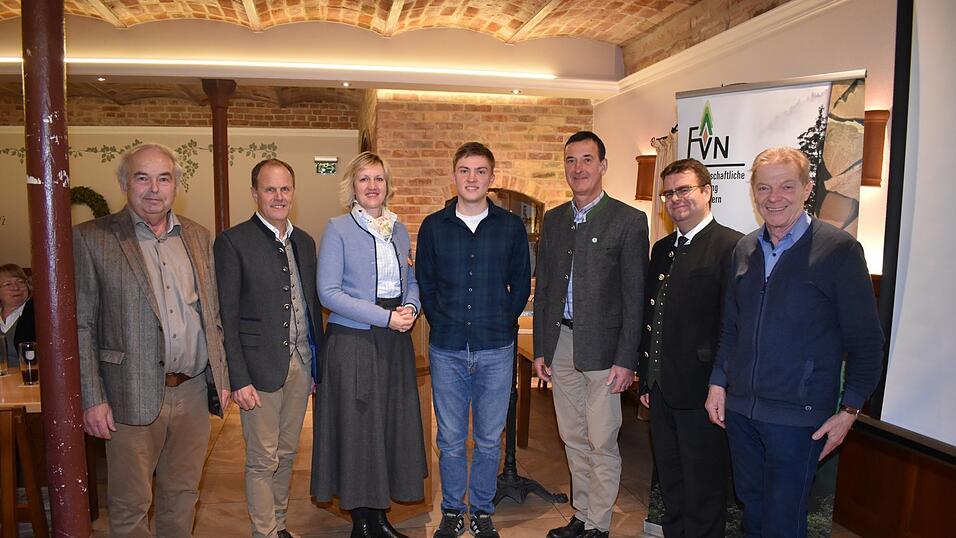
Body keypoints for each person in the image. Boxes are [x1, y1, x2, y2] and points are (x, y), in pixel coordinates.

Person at [705, 147, 883, 538]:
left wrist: (851, 408)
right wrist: (718, 382)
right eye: (765, 188)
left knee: (783, 523)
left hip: (799, 419)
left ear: (807, 189)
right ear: (753, 193)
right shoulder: (743, 249)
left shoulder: (839, 251)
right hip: (741, 413)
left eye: (787, 186)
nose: (775, 197)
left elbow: (866, 341)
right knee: (752, 511)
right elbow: (731, 327)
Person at [73, 143, 230, 537]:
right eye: (142, 177)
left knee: (182, 495)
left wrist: (221, 378)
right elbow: (82, 326)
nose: (153, 188)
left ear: (176, 184)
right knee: (130, 505)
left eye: (164, 178)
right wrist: (92, 398)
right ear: (126, 183)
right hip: (129, 393)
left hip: (192, 391)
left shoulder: (197, 235)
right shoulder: (93, 239)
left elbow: (210, 315)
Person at [534, 131, 649, 538]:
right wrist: (541, 349)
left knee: (602, 440)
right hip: (561, 345)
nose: (578, 168)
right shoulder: (554, 219)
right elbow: (545, 288)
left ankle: (598, 524)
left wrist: (627, 359)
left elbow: (636, 298)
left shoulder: (629, 221)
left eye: (586, 160)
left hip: (605, 351)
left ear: (602, 165)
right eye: (570, 160)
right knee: (573, 437)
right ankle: (581, 514)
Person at [416, 142, 531, 538]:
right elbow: (425, 283)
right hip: (447, 347)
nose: (471, 178)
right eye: (464, 170)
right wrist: (440, 317)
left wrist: (502, 317)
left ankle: (481, 510)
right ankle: (452, 510)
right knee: (449, 438)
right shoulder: (434, 225)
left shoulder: (510, 227)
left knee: (487, 438)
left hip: (495, 347)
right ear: (454, 176)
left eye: (480, 171)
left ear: (491, 178)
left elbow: (520, 284)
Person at [312, 151, 427, 538]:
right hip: (354, 342)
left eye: (378, 178)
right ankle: (361, 521)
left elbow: (411, 280)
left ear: (387, 185)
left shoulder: (398, 228)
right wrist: (385, 317)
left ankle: (380, 516)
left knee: (387, 427)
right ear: (352, 187)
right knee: (359, 429)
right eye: (364, 179)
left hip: (394, 343)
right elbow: (328, 293)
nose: (373, 186)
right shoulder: (338, 228)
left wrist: (411, 305)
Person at [215, 158, 323, 538]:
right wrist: (238, 377)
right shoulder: (233, 242)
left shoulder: (306, 242)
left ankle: (278, 525)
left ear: (293, 193)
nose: (279, 196)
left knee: (289, 454)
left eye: (285, 189)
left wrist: (315, 368)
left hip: (301, 364)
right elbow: (225, 316)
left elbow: (311, 309)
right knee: (263, 459)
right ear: (254, 193)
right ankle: (263, 532)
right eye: (270, 189)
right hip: (259, 370)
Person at [637, 159, 742, 538]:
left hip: (704, 392)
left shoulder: (731, 246)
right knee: (672, 481)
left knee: (704, 487)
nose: (675, 199)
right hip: (662, 389)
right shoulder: (663, 248)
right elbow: (653, 317)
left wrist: (722, 384)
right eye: (669, 193)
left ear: (707, 191)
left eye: (684, 190)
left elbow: (733, 325)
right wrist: (647, 379)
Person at [0, 264, 35, 367]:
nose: (16, 288)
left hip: (25, 379)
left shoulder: (36, 315)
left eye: (20, 282)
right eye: (8, 284)